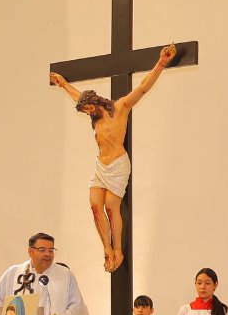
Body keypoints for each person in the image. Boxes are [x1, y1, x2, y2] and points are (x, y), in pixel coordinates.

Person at [49, 43, 177, 272]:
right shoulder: (95, 117)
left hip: (117, 164)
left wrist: (161, 63)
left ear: (95, 102)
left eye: (88, 108)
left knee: (110, 207)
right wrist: (62, 84)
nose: (87, 113)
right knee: (94, 206)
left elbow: (143, 88)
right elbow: (76, 96)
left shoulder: (120, 108)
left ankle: (118, 249)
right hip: (101, 165)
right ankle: (106, 249)